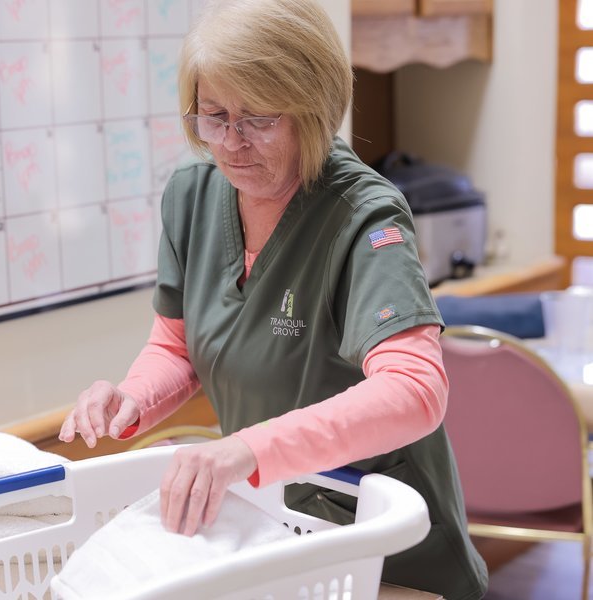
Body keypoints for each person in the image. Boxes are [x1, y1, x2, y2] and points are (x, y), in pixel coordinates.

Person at [59, 0, 488, 597]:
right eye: (214, 116)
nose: (232, 143)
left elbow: (415, 390)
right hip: (265, 527)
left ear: (312, 110)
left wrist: (246, 450)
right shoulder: (193, 194)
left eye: (259, 119)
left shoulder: (362, 214)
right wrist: (131, 399)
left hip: (379, 542)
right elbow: (177, 345)